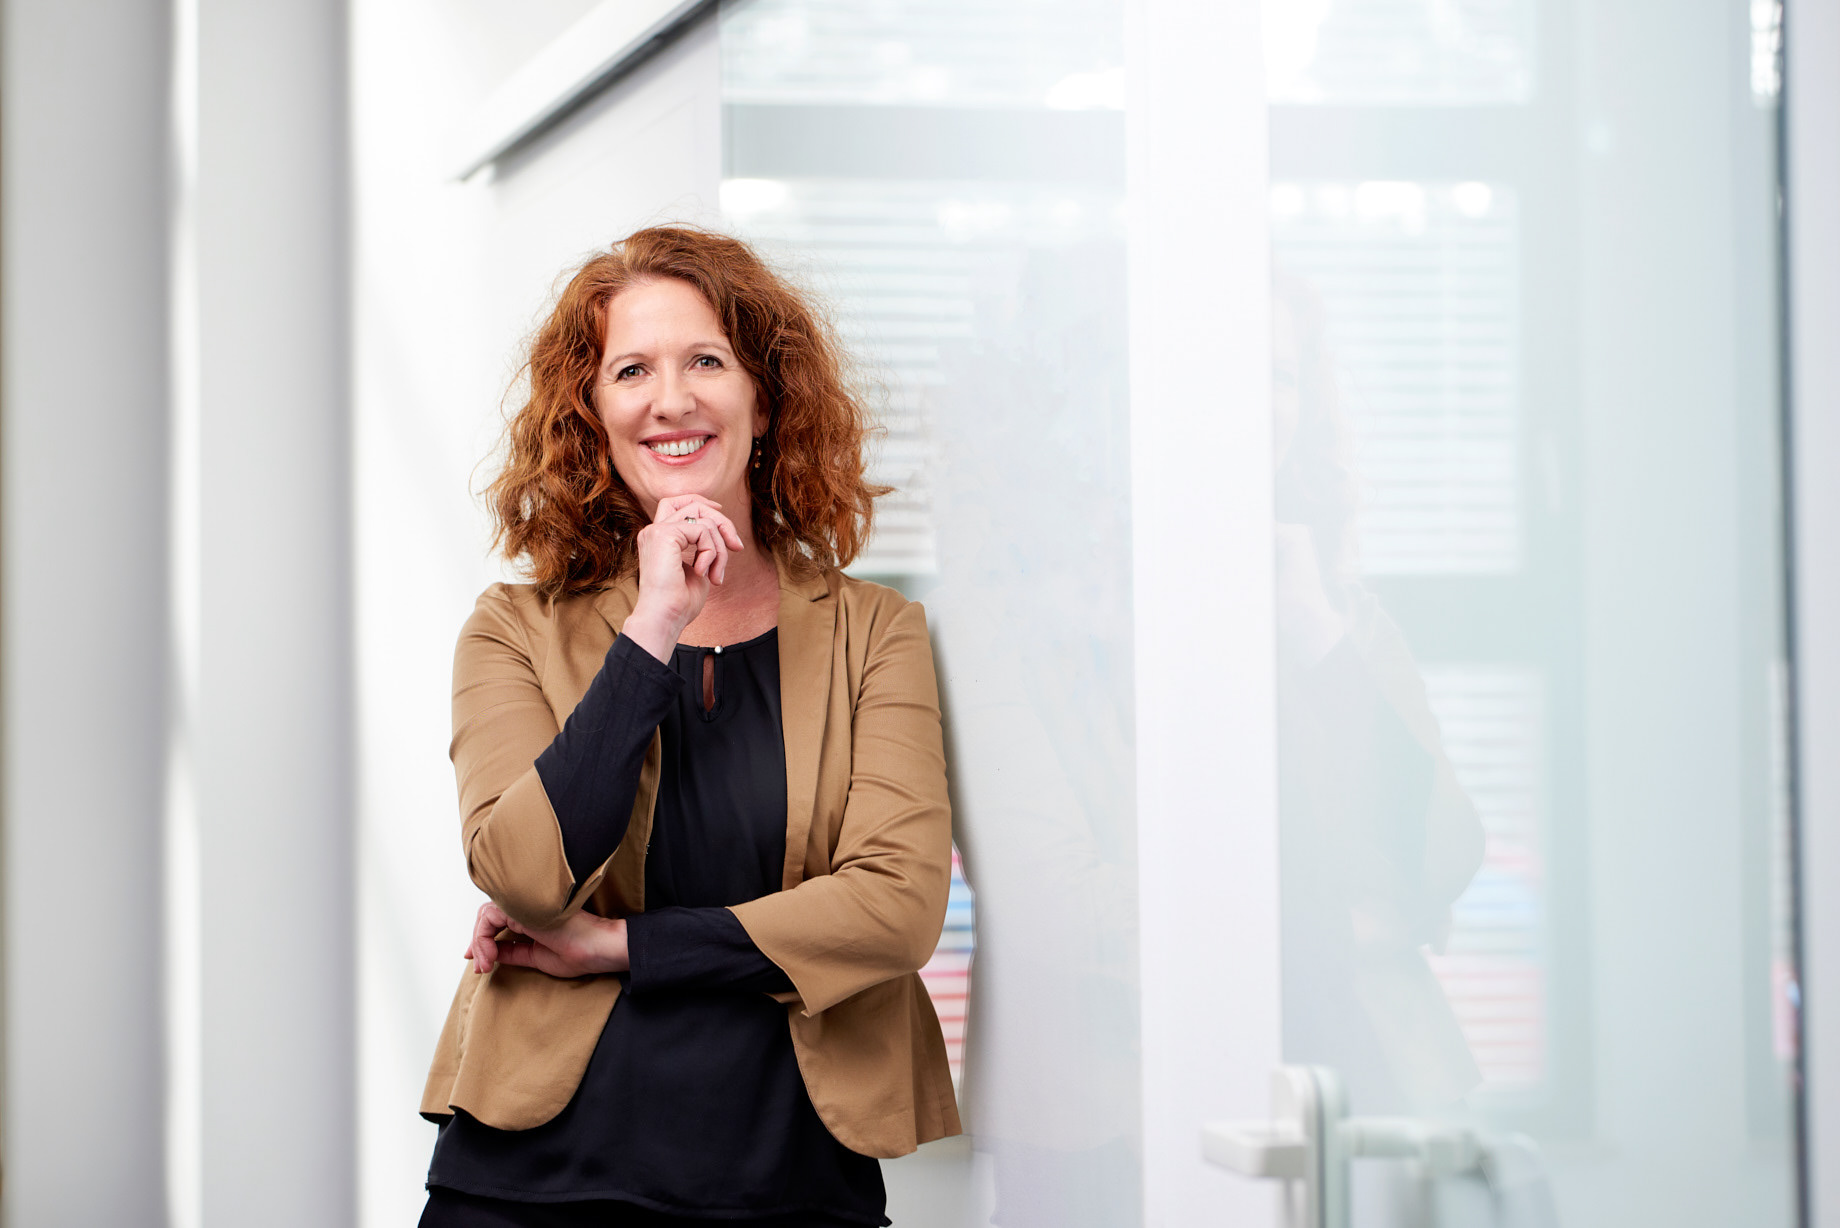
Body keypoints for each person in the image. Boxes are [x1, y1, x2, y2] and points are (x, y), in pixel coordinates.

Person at [417, 226, 961, 1227]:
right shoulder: (511, 629)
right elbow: (525, 873)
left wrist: (619, 946)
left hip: (791, 1180)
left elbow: (896, 907)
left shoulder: (878, 633)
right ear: (593, 413)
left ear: (765, 395)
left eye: (705, 360)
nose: (670, 399)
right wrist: (655, 622)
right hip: (531, 1183)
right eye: (631, 370)